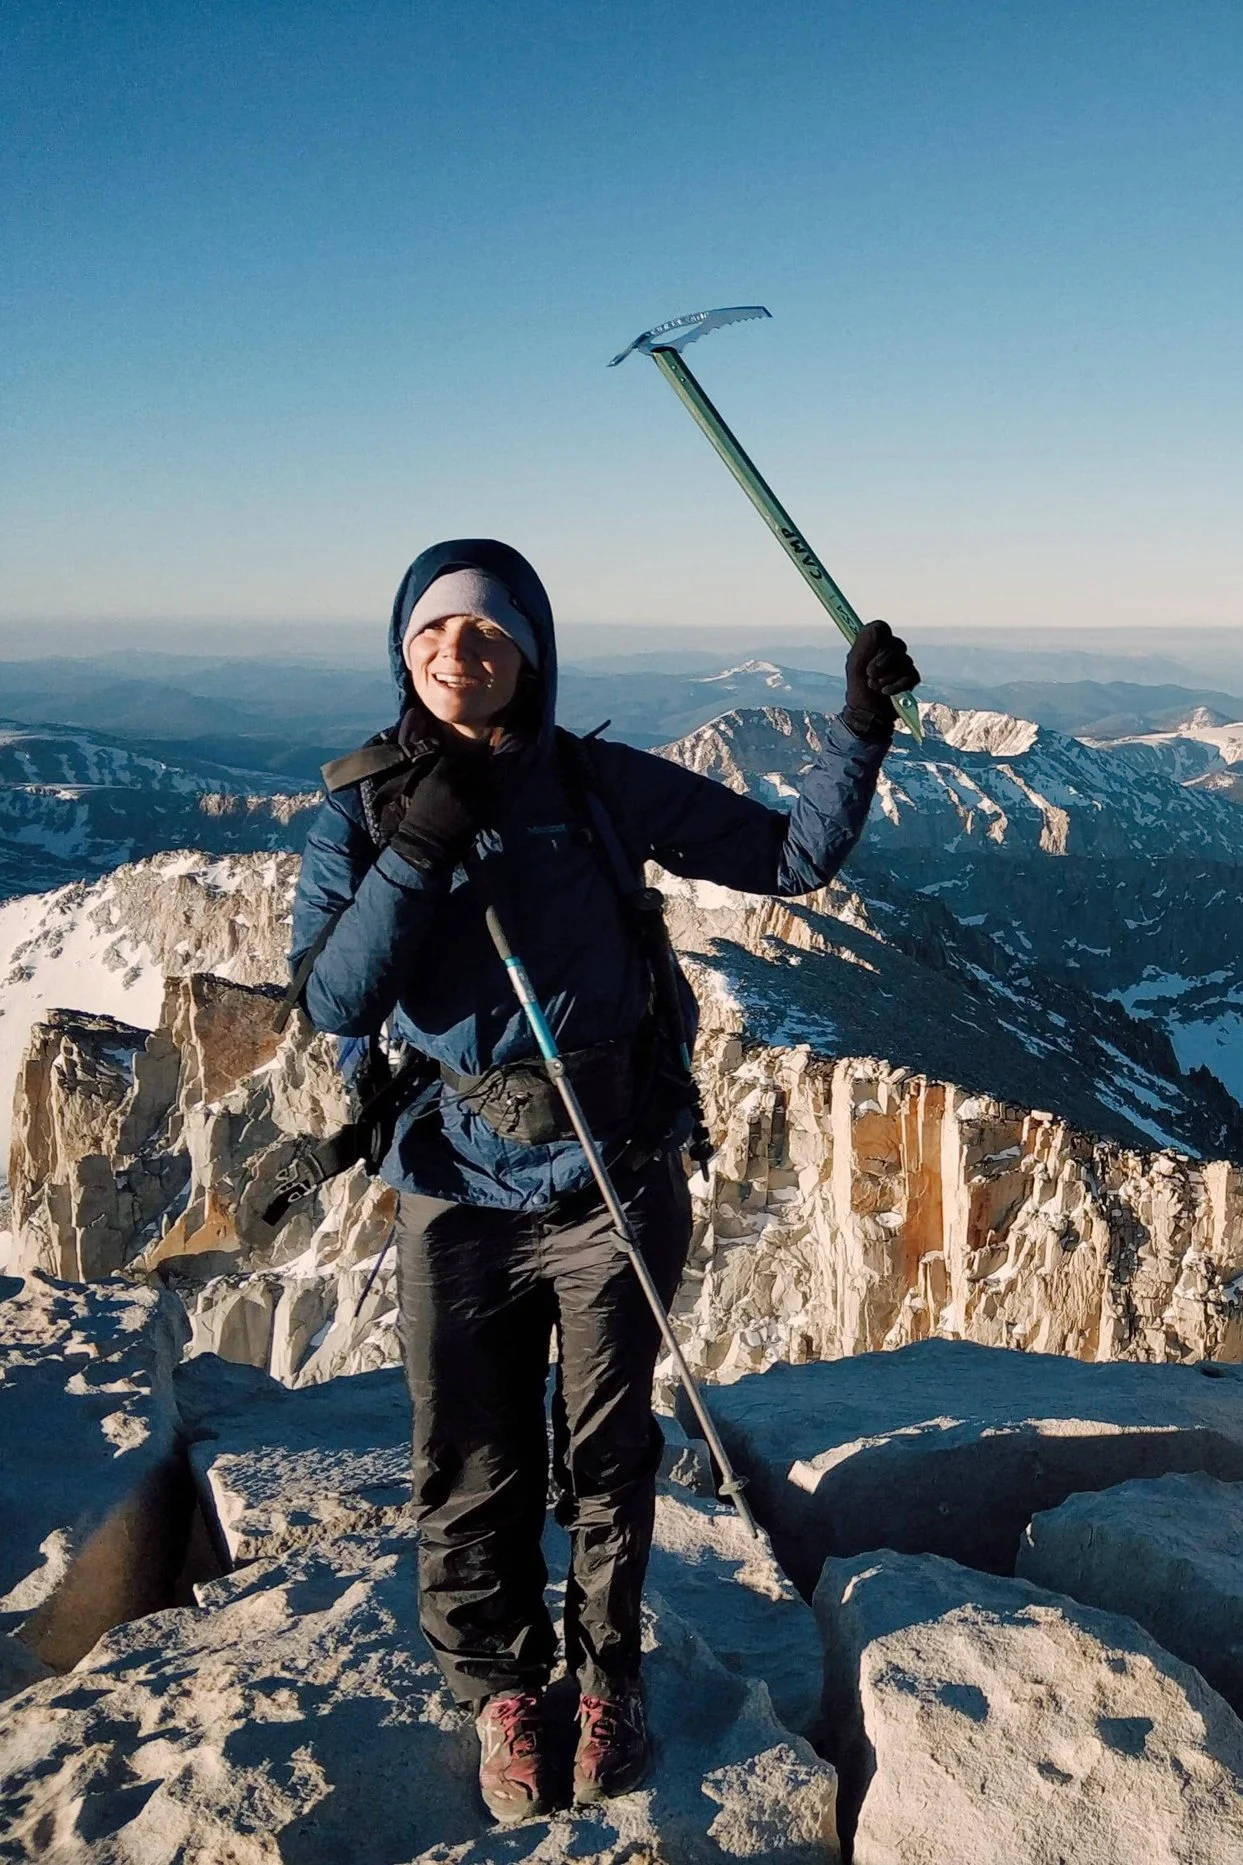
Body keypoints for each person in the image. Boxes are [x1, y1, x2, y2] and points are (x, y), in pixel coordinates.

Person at [287, 538, 916, 1821]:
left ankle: (607, 1673)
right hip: (455, 1182)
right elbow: (335, 996)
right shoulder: (358, 809)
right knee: (470, 1453)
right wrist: (420, 845)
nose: (458, 651)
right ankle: (502, 1688)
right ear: (402, 651)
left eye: (486, 630)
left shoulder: (593, 783)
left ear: (531, 652)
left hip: (607, 1167)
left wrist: (860, 727)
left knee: (607, 1447)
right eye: (432, 632)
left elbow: (788, 857)